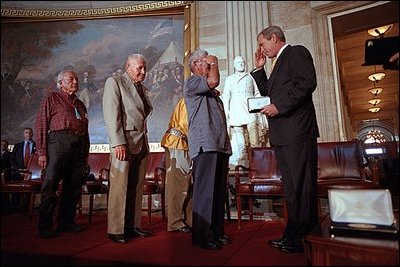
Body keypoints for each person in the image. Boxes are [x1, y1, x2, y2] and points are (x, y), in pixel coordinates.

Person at [251, 26, 320, 253]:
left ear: (274, 38)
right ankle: (296, 236)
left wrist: (280, 106)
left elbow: (307, 83)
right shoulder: (277, 63)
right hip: (284, 134)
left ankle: (301, 238)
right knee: (293, 188)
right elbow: (270, 92)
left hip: (297, 132)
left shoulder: (296, 52)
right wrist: (259, 69)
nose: (261, 49)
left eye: (263, 43)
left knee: (300, 186)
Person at [183, 49, 232, 250]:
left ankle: (216, 232)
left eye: (209, 62)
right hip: (205, 144)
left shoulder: (211, 93)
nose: (209, 64)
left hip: (219, 144)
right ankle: (202, 236)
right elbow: (213, 80)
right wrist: (215, 63)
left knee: (219, 192)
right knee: (205, 192)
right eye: (205, 62)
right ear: (196, 65)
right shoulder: (192, 82)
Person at [103, 53, 153, 244]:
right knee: (119, 187)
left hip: (140, 143)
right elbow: (111, 113)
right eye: (139, 68)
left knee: (136, 187)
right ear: (127, 67)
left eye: (144, 68)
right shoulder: (114, 82)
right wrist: (118, 142)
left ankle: (132, 225)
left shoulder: (142, 88)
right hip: (124, 143)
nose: (143, 71)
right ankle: (116, 229)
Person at [35, 70, 90, 239]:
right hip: (59, 142)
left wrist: (85, 153)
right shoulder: (51, 98)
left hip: (78, 144)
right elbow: (41, 124)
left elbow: (85, 129)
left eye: (76, 79)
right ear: (60, 83)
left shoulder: (80, 104)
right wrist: (42, 152)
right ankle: (45, 225)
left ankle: (66, 222)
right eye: (71, 79)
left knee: (73, 186)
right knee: (50, 185)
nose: (75, 81)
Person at [222, 56, 261, 167]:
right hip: (236, 108)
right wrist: (227, 111)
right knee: (238, 133)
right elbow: (226, 96)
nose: (241, 64)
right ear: (234, 65)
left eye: (242, 62)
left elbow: (256, 93)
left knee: (253, 131)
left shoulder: (250, 77)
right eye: (238, 62)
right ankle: (242, 157)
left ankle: (257, 157)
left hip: (249, 107)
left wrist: (259, 106)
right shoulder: (230, 79)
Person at [161, 98, 192, 233]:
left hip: (185, 145)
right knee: (178, 186)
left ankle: (189, 220)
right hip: (178, 144)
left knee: (188, 185)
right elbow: (186, 126)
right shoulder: (190, 99)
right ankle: (175, 223)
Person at [10, 128, 37, 211]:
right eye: (26, 132)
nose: (28, 134)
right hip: (18, 172)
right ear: (24, 134)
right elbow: (12, 160)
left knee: (30, 192)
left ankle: (29, 208)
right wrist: (20, 170)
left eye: (30, 132)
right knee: (16, 192)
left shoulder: (37, 145)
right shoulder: (18, 145)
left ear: (32, 134)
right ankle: (15, 208)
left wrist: (30, 171)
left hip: (32, 173)